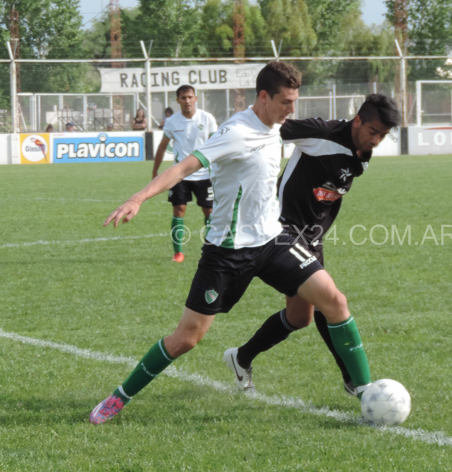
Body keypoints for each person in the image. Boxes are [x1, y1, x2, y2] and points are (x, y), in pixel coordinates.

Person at [89, 61, 372, 425]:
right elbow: (183, 168)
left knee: (334, 301)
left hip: (273, 240)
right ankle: (119, 397)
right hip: (227, 253)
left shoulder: (277, 126)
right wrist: (137, 198)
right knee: (186, 339)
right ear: (264, 97)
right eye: (285, 102)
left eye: (295, 101)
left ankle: (366, 393)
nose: (292, 109)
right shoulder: (236, 132)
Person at [224, 94, 401, 396]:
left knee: (299, 317)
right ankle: (357, 383)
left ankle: (241, 358)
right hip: (281, 230)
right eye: (373, 131)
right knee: (331, 302)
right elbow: (270, 127)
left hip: (311, 239)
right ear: (357, 120)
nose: (376, 140)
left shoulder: (363, 153)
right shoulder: (322, 133)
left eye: (382, 135)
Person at [152, 86, 218, 262]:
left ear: (195, 98)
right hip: (180, 175)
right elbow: (162, 147)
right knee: (179, 210)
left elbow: (217, 143)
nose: (187, 101)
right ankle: (178, 252)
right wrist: (155, 171)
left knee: (209, 211)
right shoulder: (172, 122)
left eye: (190, 97)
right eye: (183, 98)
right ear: (178, 100)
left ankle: (210, 251)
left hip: (204, 174)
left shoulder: (207, 118)